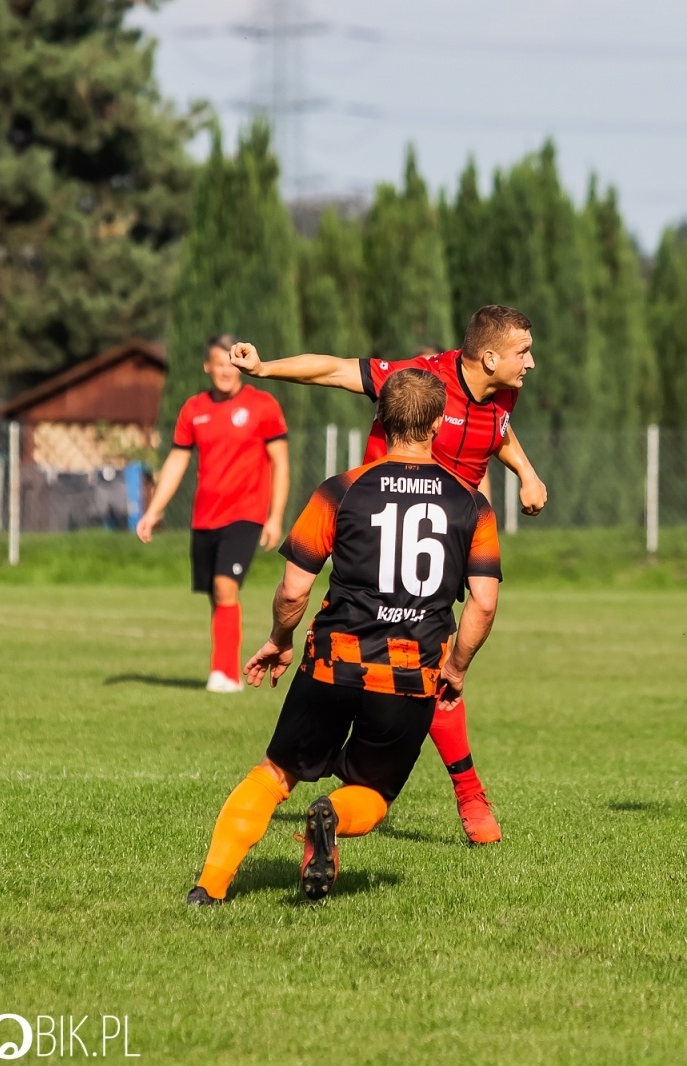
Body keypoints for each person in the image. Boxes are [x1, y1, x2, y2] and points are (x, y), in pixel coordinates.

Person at [228, 304, 542, 845]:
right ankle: (467, 796)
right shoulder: (422, 381)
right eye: (524, 352)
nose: (531, 363)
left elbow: (499, 432)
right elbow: (334, 370)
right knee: (432, 661)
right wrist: (264, 368)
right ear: (488, 356)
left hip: (446, 531)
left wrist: (527, 475)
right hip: (380, 530)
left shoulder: (502, 392)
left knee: (434, 657)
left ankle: (439, 791)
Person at [186, 368, 501, 904]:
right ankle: (331, 815)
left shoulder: (341, 490)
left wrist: (280, 639)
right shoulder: (471, 504)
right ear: (437, 429)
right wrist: (456, 667)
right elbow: (484, 603)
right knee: (373, 795)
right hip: (408, 675)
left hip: (331, 663)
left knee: (275, 773)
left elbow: (293, 590)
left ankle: (209, 888)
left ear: (381, 419)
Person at [137, 336, 290, 693]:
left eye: (230, 364)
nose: (224, 370)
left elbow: (280, 463)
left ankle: (225, 674)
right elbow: (176, 460)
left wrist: (275, 515)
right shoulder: (193, 409)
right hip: (205, 517)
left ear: (239, 365)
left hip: (246, 514)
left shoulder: (262, 405)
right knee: (215, 594)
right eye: (218, 363)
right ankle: (223, 669)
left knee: (225, 586)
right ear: (208, 366)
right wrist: (152, 511)